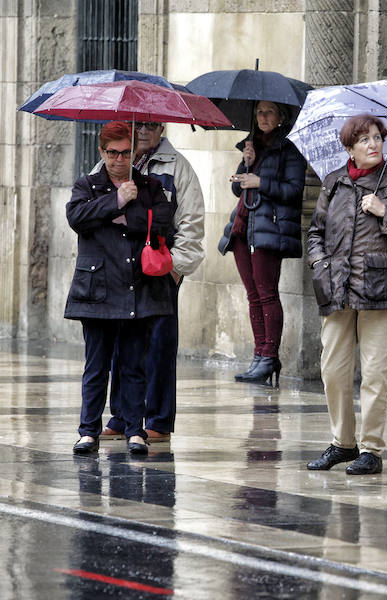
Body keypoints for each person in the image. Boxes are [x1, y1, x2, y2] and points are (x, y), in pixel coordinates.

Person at [306, 113, 387, 475]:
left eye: (377, 137)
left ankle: (371, 449)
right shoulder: (334, 183)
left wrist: (385, 211)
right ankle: (343, 443)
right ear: (350, 148)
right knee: (334, 370)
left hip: (381, 289)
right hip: (337, 288)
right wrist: (320, 265)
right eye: (364, 139)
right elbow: (315, 232)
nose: (373, 144)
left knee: (375, 373)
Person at [66, 121, 173, 456]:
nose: (118, 159)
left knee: (133, 364)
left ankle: (134, 430)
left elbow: (164, 222)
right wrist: (115, 202)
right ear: (102, 152)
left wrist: (127, 212)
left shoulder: (150, 186)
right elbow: (77, 218)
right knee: (96, 364)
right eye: (112, 153)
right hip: (97, 287)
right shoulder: (87, 184)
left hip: (135, 286)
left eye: (126, 152)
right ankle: (88, 430)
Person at [99, 121, 205, 443]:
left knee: (159, 344)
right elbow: (92, 202)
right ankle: (122, 415)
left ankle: (158, 419)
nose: (143, 130)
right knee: (121, 343)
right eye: (138, 124)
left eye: (150, 125)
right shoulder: (118, 160)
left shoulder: (178, 168)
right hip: (121, 269)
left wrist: (175, 269)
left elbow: (192, 222)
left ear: (162, 128)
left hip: (159, 269)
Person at [219, 100, 306, 386]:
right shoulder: (250, 146)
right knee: (252, 295)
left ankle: (270, 355)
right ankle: (258, 354)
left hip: (270, 229)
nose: (263, 117)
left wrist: (260, 182)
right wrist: (246, 163)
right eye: (259, 112)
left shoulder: (289, 148)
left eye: (269, 112)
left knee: (267, 293)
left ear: (281, 116)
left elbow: (294, 191)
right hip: (243, 227)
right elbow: (236, 187)